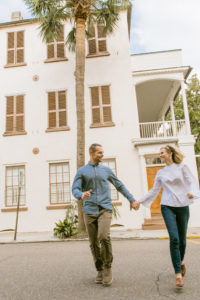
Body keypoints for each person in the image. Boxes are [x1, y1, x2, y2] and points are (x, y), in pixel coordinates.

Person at [72, 143, 138, 286]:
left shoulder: (106, 170)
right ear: (91, 153)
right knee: (93, 243)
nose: (102, 155)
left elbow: (119, 185)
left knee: (103, 236)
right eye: (99, 153)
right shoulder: (82, 171)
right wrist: (81, 194)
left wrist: (132, 199)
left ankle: (107, 267)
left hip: (105, 208)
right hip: (89, 210)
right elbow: (75, 189)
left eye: (103, 152)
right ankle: (99, 269)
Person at [134, 145, 200, 288]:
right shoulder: (161, 173)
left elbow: (192, 182)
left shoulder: (182, 167)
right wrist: (140, 201)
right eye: (160, 153)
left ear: (170, 153)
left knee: (182, 240)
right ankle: (178, 274)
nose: (160, 155)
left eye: (162, 153)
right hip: (167, 206)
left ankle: (180, 261)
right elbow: (154, 191)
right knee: (174, 238)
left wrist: (192, 193)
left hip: (182, 205)